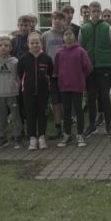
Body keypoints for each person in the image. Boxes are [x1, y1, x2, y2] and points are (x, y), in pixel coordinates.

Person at [80, 2, 111, 139]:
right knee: (91, 97)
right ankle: (91, 126)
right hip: (89, 68)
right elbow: (80, 48)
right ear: (89, 12)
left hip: (104, 67)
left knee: (104, 96)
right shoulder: (83, 29)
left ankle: (108, 125)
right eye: (93, 11)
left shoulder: (107, 28)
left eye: (98, 11)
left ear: (100, 12)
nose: (96, 13)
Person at [54, 28, 92, 147]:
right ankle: (67, 134)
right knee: (67, 111)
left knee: (78, 110)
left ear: (75, 37)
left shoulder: (81, 51)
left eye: (70, 34)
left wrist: (80, 76)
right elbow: (56, 68)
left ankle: (80, 134)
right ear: (63, 37)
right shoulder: (59, 52)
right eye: (66, 34)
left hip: (77, 86)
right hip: (64, 86)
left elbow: (88, 68)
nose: (68, 36)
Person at [18, 32, 53, 150]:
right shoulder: (23, 59)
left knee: (42, 114)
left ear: (41, 43)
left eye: (37, 42)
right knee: (30, 114)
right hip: (27, 92)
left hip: (43, 92)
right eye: (32, 43)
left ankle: (42, 137)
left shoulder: (47, 58)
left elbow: (50, 73)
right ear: (28, 44)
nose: (35, 45)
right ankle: (32, 138)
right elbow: (20, 74)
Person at [42, 11, 70, 141]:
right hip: (52, 74)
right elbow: (42, 53)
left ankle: (67, 126)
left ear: (64, 21)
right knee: (55, 101)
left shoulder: (67, 35)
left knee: (66, 100)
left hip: (65, 73)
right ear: (52, 20)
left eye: (60, 19)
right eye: (55, 18)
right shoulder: (46, 35)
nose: (57, 21)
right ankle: (57, 126)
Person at [0, 36, 21, 149]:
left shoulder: (15, 62)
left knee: (15, 116)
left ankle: (17, 137)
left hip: (12, 93)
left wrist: (15, 87)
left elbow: (18, 77)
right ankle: (2, 138)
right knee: (2, 117)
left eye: (6, 45)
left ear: (11, 48)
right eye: (1, 45)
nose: (3, 47)